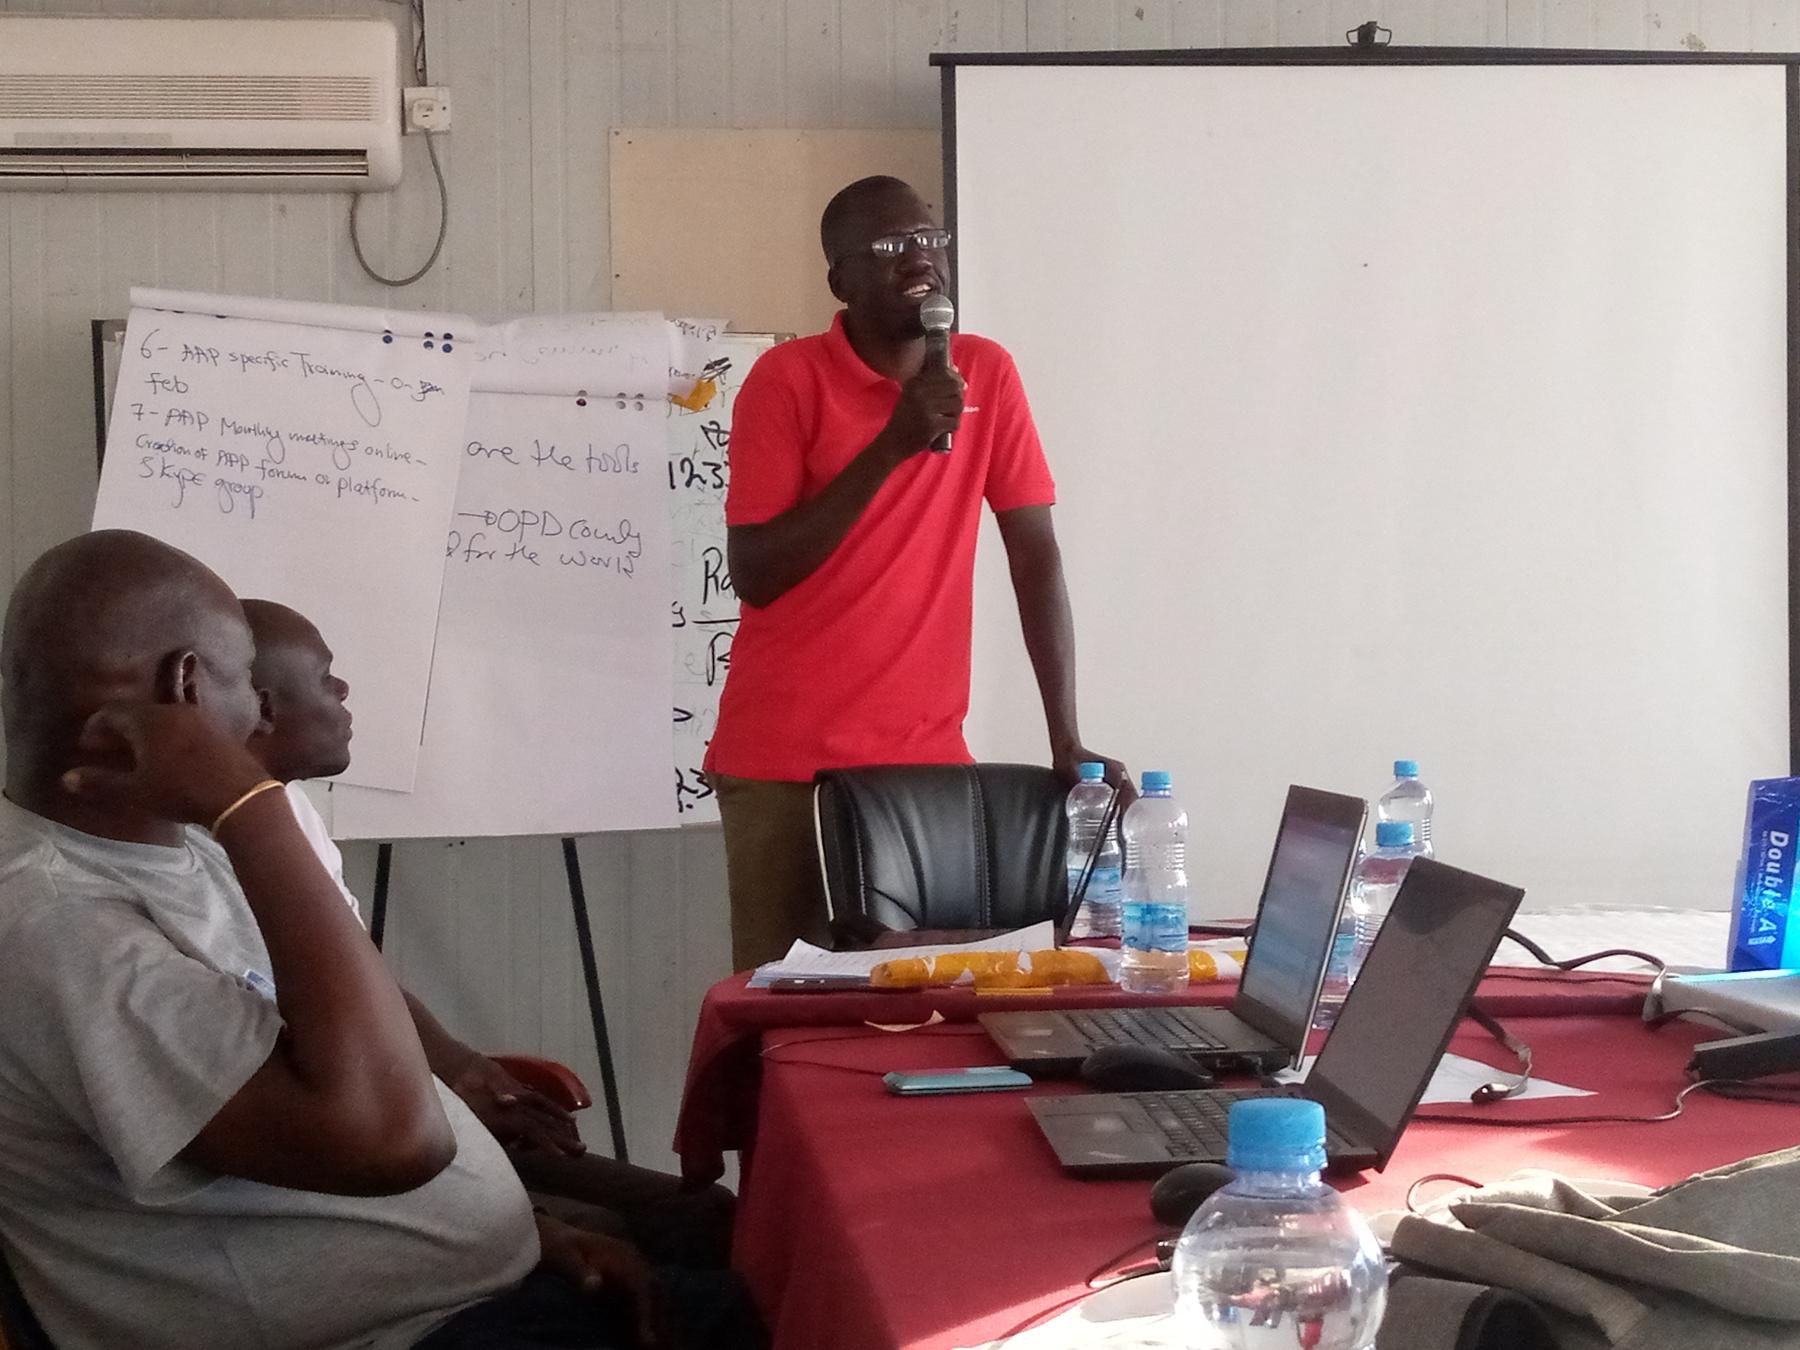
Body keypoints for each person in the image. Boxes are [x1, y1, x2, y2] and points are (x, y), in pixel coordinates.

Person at [0, 530, 758, 1350]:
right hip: (402, 1335)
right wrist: (247, 802)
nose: (256, 711)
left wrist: (531, 1235)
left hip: (473, 1295)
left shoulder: (171, 854)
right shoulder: (57, 928)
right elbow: (388, 1139)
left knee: (783, 1280)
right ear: (184, 687)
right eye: (242, 677)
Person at [703, 174, 1128, 969]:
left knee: (927, 999)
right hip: (785, 761)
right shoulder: (786, 381)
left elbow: (1032, 551)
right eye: (893, 247)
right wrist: (893, 445)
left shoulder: (985, 373)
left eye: (933, 241)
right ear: (841, 280)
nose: (922, 261)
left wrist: (1065, 737)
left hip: (924, 763)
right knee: (786, 1013)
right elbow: (757, 572)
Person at [241, 597, 735, 1269]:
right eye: (326, 676)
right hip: (369, 1152)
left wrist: (467, 1070)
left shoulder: (288, 808)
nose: (344, 689)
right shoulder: (218, 856)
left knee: (707, 1215)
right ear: (264, 709)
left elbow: (364, 975)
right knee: (626, 1239)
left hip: (427, 1114)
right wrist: (451, 1104)